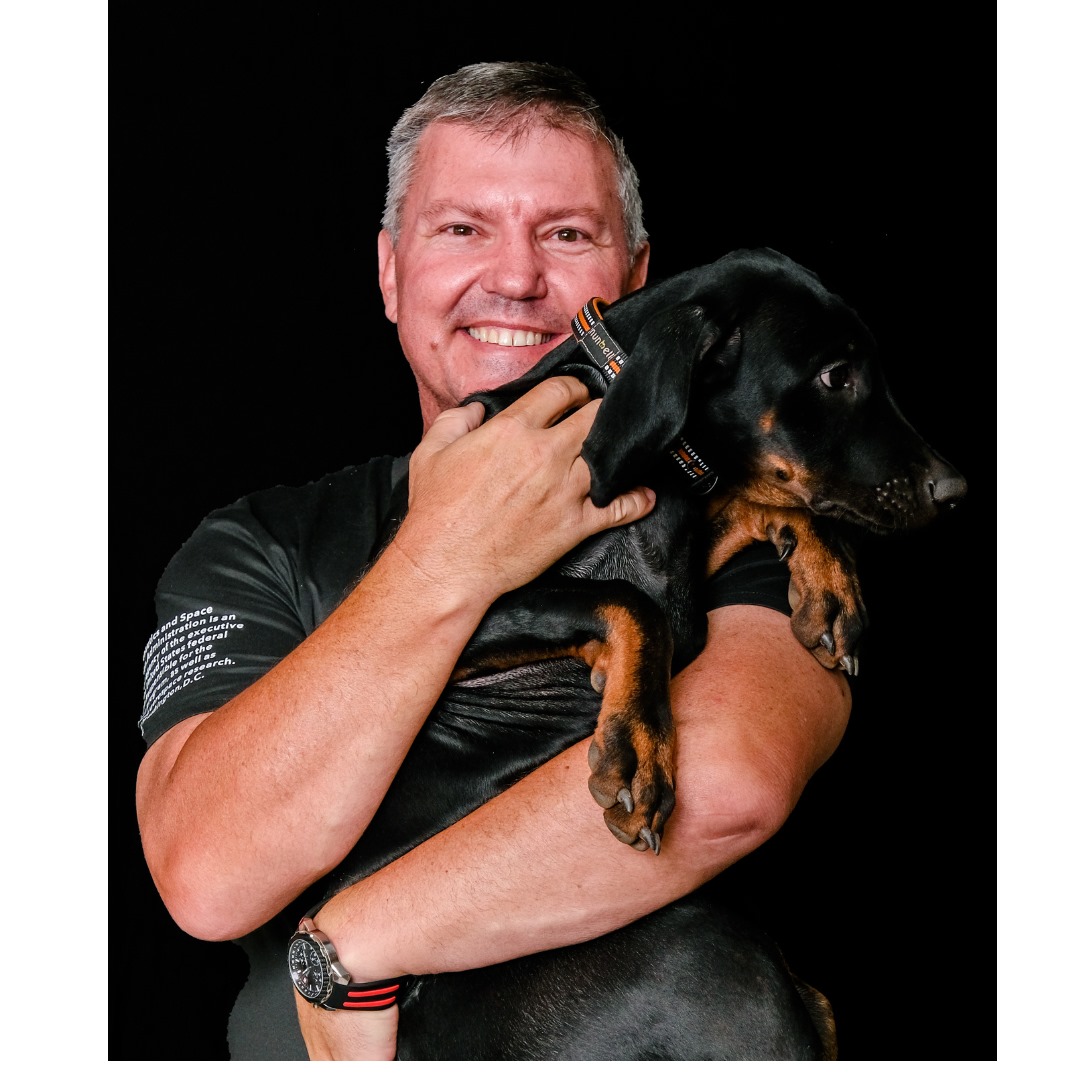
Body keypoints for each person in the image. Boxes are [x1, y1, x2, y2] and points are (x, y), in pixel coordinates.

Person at [136, 60, 851, 1061]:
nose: (516, 278)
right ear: (391, 272)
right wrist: (447, 555)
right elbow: (209, 872)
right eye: (462, 229)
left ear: (639, 283)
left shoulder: (750, 515)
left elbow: (731, 779)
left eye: (566, 234)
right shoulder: (263, 544)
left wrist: (352, 951)